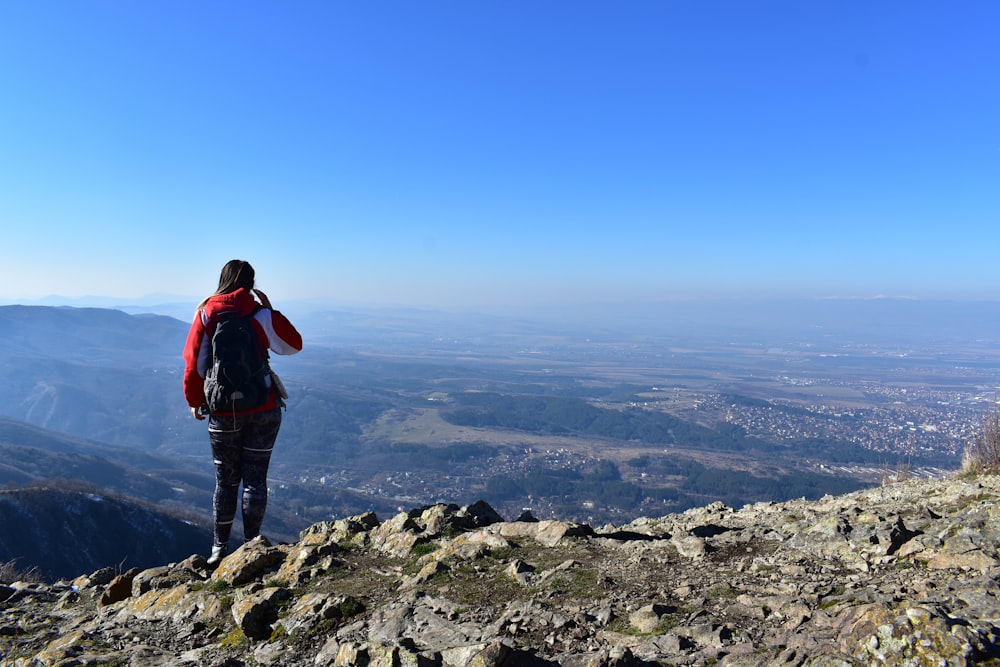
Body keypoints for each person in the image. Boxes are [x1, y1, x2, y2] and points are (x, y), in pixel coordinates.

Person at [182, 260, 303, 566]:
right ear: (250, 282)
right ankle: (252, 545)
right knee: (255, 480)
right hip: (263, 406)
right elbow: (293, 345)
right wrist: (270, 311)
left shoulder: (207, 313)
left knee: (226, 482)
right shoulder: (259, 314)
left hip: (224, 410)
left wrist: (195, 401)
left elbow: (194, 363)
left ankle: (219, 549)